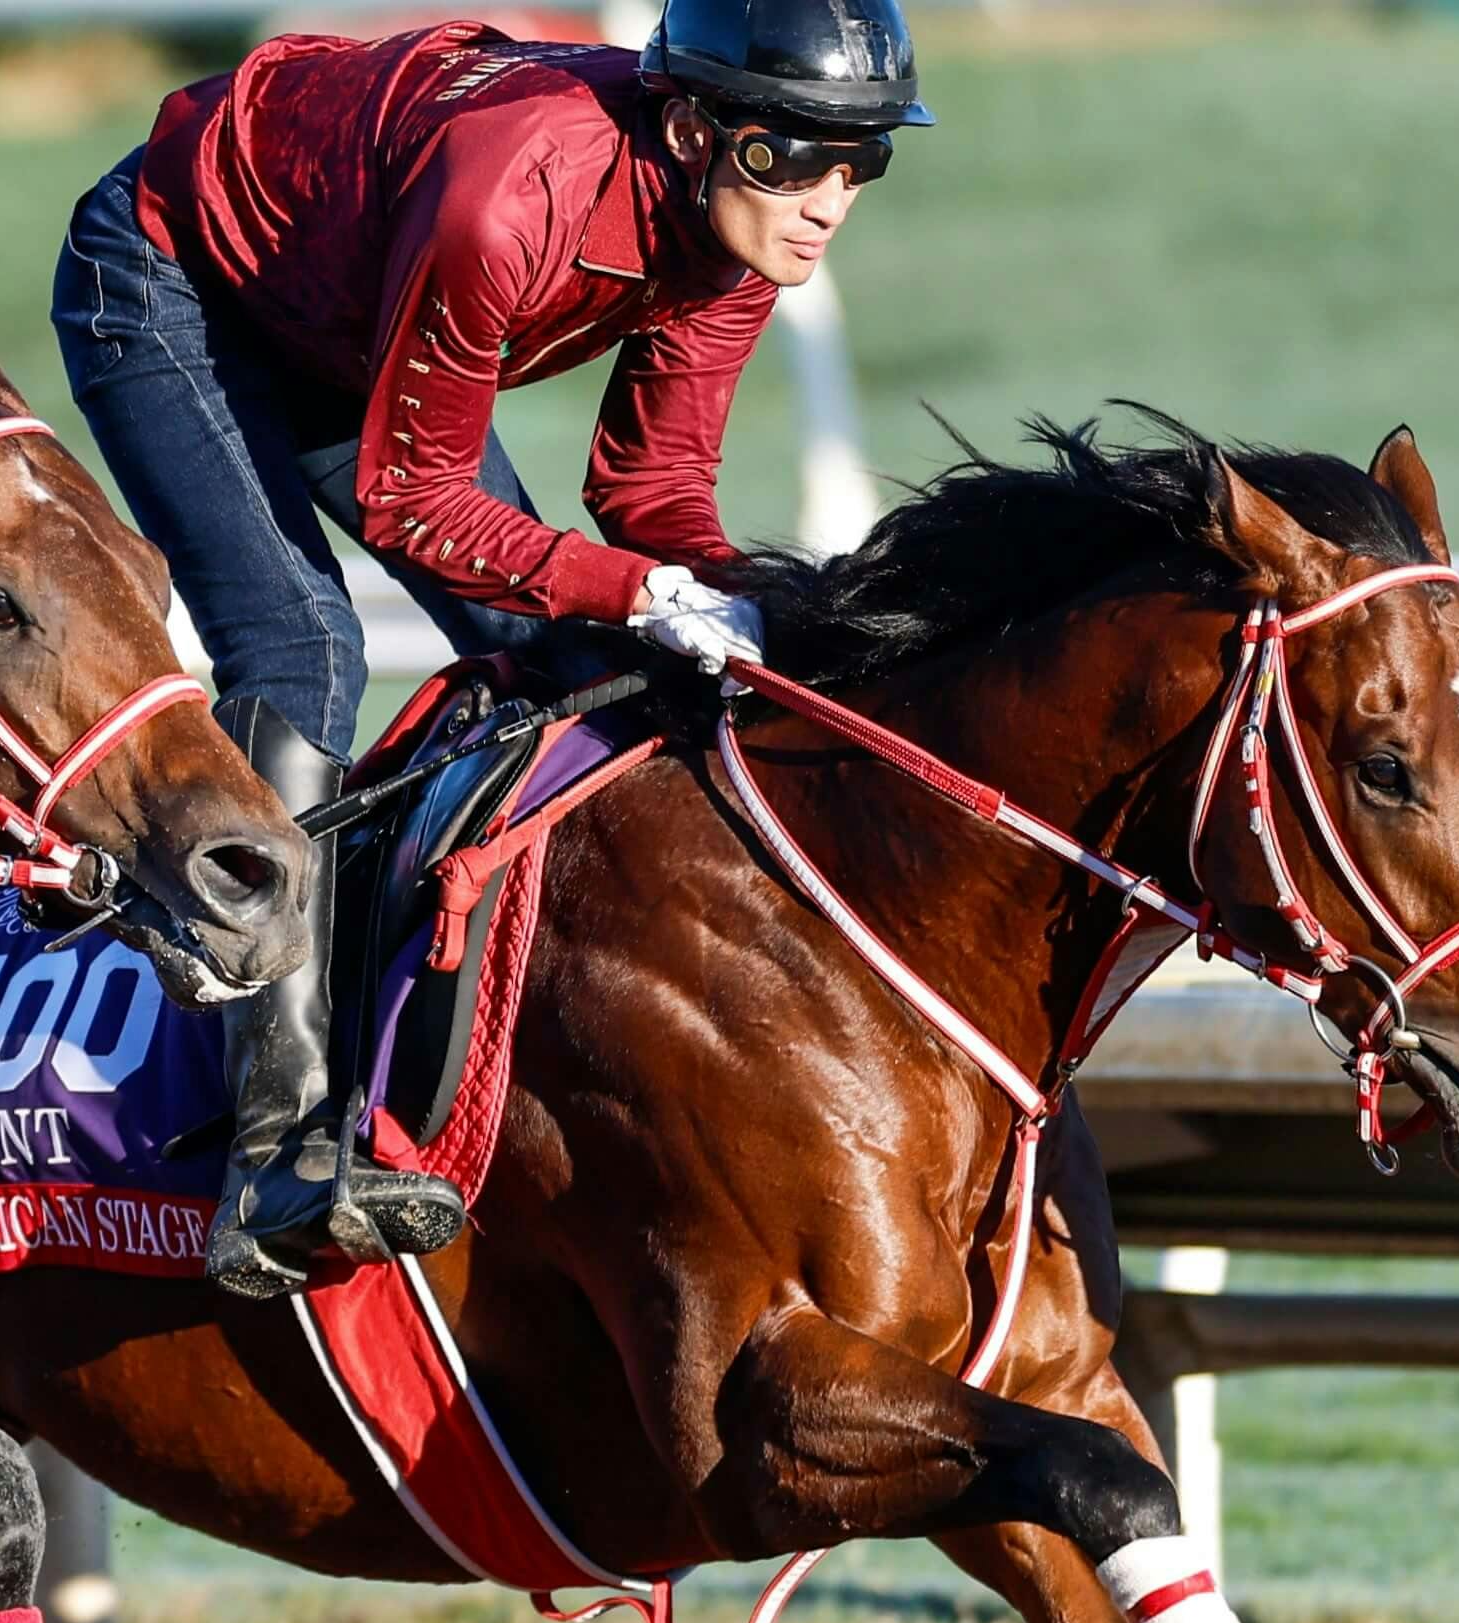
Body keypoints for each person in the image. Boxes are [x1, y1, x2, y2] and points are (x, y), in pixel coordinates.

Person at [50, 0, 924, 1294]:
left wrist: (754, 608)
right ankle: (274, 1145)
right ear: (691, 127)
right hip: (175, 277)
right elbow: (414, 499)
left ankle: (486, 1050)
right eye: (788, 154)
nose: (825, 198)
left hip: (346, 314)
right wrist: (644, 589)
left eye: (859, 159)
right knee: (304, 651)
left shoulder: (740, 241)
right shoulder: (514, 191)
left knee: (561, 659)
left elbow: (653, 494)